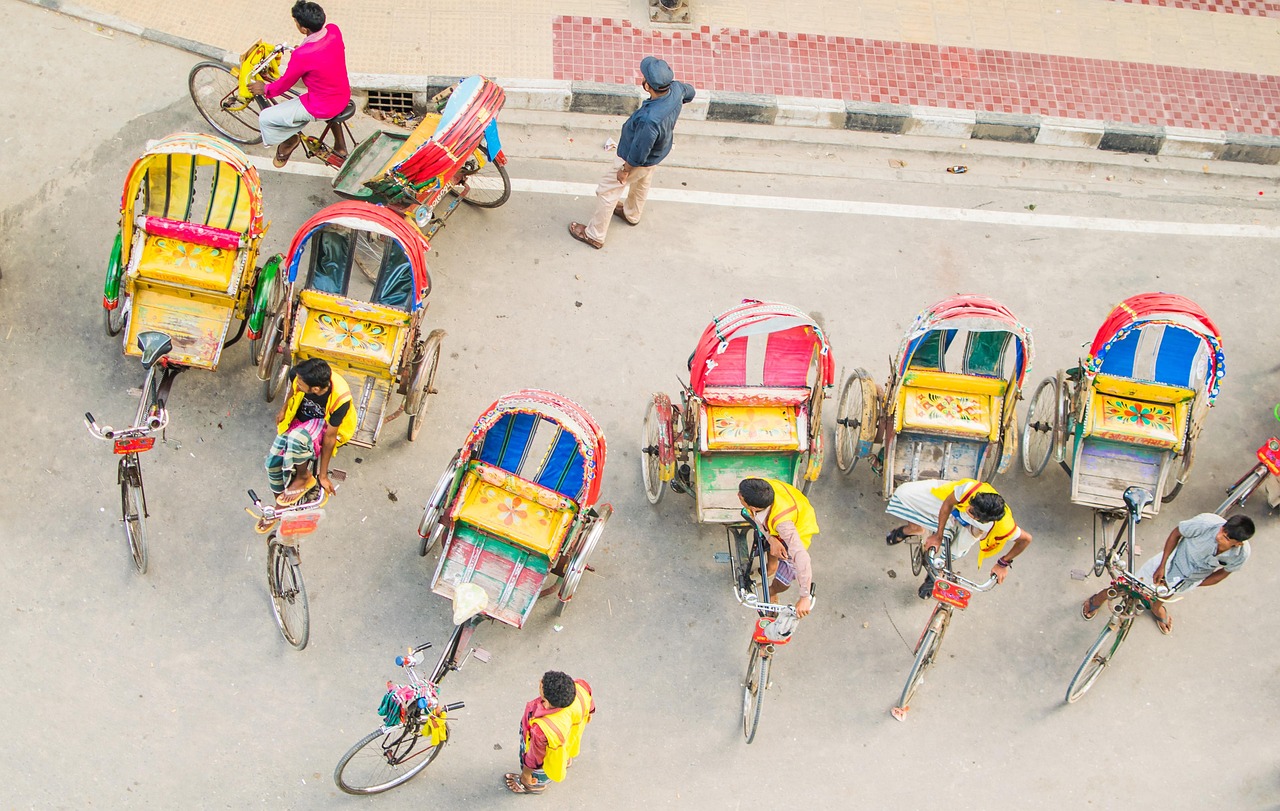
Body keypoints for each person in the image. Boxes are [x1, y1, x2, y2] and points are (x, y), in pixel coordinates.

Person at [568, 56, 696, 249]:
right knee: (643, 182)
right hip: (658, 153)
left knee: (607, 190)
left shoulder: (649, 120)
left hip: (636, 158)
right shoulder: (676, 89)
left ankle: (595, 235)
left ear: (648, 86)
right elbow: (690, 93)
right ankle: (632, 214)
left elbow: (639, 151)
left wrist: (625, 169)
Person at [1081, 513, 1255, 634]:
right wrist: (1162, 566)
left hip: (1187, 580)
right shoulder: (1205, 524)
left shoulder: (1241, 554)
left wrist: (1195, 583)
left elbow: (1223, 573)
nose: (1219, 536)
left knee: (1160, 599)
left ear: (1237, 544)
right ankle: (1098, 598)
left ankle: (1157, 610)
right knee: (1127, 586)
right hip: (1169, 563)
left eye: (1225, 538)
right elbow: (1176, 534)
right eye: (1222, 531)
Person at [885, 478, 1033, 599]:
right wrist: (938, 535)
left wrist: (1003, 563)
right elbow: (948, 504)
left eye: (971, 512)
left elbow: (1026, 539)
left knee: (955, 550)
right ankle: (914, 529)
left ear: (984, 520)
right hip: (951, 506)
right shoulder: (970, 490)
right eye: (970, 506)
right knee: (905, 492)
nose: (968, 508)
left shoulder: (1005, 527)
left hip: (973, 527)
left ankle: (937, 572)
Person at [247, 1, 350, 167]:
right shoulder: (334, 30)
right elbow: (323, 54)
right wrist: (301, 51)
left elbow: (285, 84)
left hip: (321, 106)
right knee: (324, 106)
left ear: (303, 29)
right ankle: (341, 146)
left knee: (265, 118)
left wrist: (265, 88)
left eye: (296, 22)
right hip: (342, 94)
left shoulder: (302, 56)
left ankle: (288, 142)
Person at [259, 358, 356, 529]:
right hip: (299, 420)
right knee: (272, 463)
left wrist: (323, 476)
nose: (298, 383)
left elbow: (330, 438)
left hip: (323, 424)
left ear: (316, 389)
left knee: (297, 438)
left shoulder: (340, 399)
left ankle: (304, 477)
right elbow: (293, 390)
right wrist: (283, 408)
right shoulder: (299, 376)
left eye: (302, 383)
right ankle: (281, 507)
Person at [506, 670, 595, 795]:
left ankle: (533, 786)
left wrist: (526, 775)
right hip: (568, 740)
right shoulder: (581, 687)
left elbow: (534, 758)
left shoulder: (542, 729)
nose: (539, 682)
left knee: (540, 772)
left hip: (548, 755)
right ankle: (565, 761)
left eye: (541, 686)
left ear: (546, 703)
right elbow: (590, 707)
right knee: (564, 751)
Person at [737, 478, 816, 618]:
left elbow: (801, 555)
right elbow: (759, 519)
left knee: (785, 578)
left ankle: (773, 590)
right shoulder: (759, 487)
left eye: (741, 497)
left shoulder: (783, 525)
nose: (738, 495)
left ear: (754, 507)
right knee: (773, 543)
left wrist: (805, 596)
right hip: (790, 511)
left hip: (799, 528)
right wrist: (771, 538)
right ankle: (771, 566)